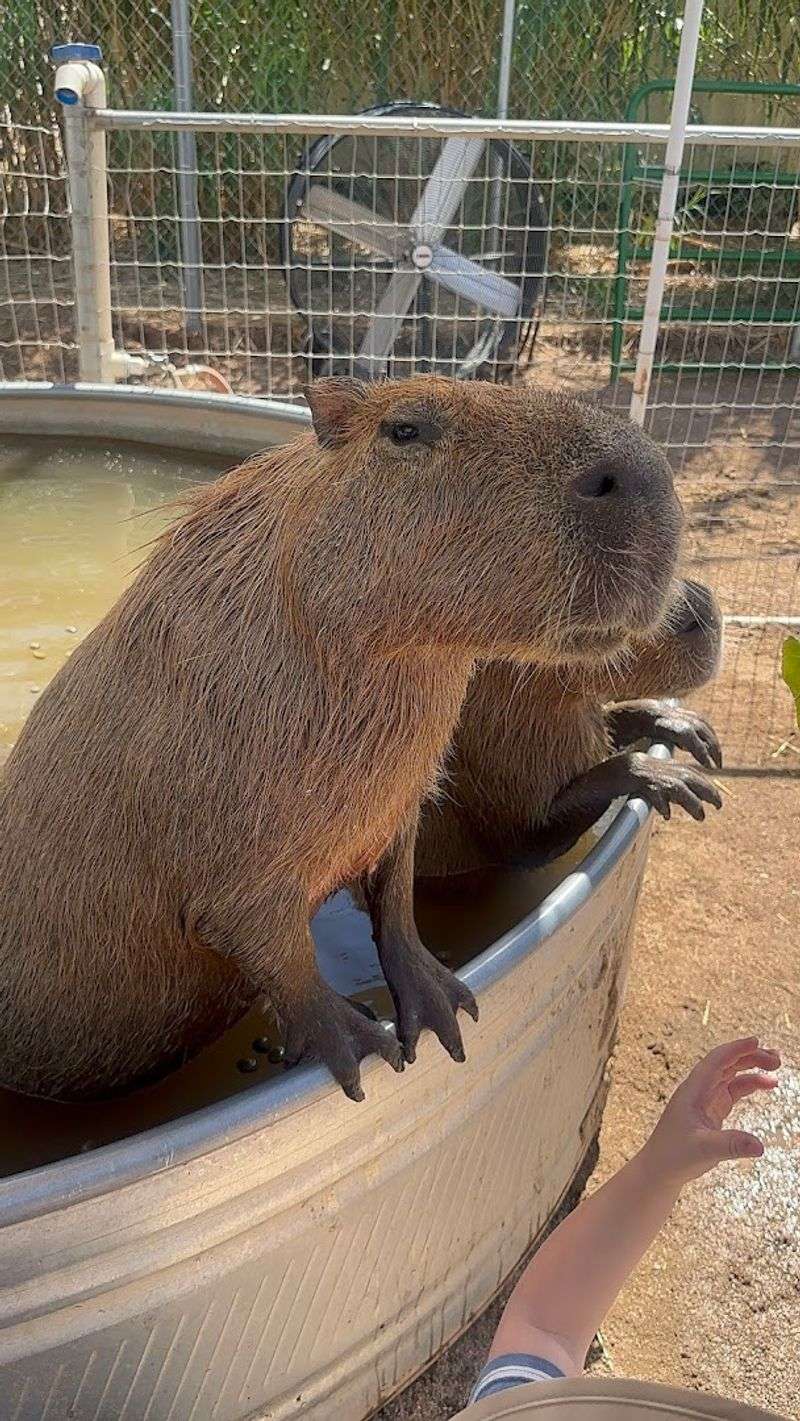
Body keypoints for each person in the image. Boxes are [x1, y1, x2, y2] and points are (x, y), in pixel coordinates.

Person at [465, 1036, 781, 1409]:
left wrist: (656, 1173)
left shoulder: (520, 1411)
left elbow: (543, 1332)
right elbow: (545, 1332)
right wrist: (656, 1173)